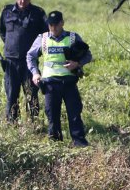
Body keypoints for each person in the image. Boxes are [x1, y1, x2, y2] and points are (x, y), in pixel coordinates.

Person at [26, 11, 93, 146]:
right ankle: (55, 145)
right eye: (51, 25)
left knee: (74, 114)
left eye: (56, 24)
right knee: (52, 116)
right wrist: (35, 73)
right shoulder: (42, 38)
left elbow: (88, 55)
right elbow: (30, 56)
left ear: (62, 23)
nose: (54, 28)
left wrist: (77, 64)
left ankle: (80, 145)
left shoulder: (73, 37)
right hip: (50, 84)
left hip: (69, 83)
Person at [0, 0, 48, 122]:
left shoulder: (38, 13)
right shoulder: (7, 11)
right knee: (11, 95)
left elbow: (46, 35)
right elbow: (2, 32)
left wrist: (35, 51)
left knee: (31, 94)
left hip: (29, 62)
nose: (22, 1)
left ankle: (34, 124)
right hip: (11, 62)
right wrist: (12, 47)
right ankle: (12, 125)